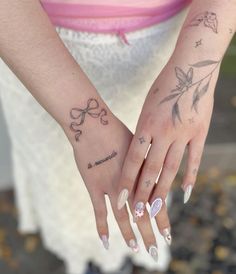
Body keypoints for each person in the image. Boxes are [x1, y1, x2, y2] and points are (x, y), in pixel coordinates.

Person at [0, 1, 235, 274]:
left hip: (170, 55)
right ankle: (89, 255)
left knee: (144, 176)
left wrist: (198, 61)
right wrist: (87, 126)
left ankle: (115, 259)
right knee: (64, 188)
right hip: (38, 56)